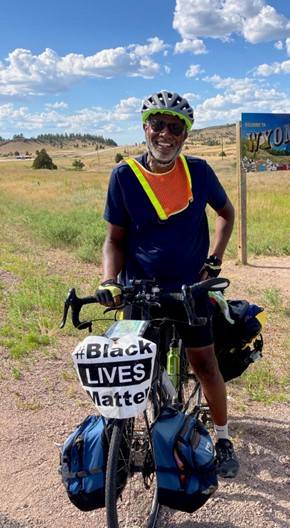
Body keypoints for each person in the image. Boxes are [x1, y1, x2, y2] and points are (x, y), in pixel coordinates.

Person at [95, 90, 238, 478]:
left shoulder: (200, 172)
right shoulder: (124, 176)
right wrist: (110, 281)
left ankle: (223, 438)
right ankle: (119, 442)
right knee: (126, 368)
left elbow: (226, 213)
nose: (166, 134)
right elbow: (114, 239)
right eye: (158, 124)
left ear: (185, 135)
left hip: (190, 290)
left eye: (176, 127)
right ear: (145, 127)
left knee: (205, 365)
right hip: (139, 289)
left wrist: (214, 260)